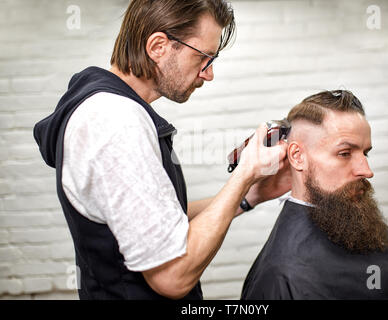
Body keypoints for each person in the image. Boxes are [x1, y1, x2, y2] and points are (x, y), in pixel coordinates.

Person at [33, 0, 291, 300]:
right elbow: (173, 276)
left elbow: (162, 223)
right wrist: (244, 173)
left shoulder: (108, 109)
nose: (209, 74)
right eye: (203, 58)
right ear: (158, 46)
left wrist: (249, 196)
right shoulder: (115, 122)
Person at [241, 90, 388, 300]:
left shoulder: (352, 221)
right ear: (297, 157)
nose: (367, 171)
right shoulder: (281, 273)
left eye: (365, 153)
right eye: (345, 153)